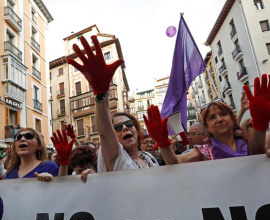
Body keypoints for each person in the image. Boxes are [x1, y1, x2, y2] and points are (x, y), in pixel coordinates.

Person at [68, 35, 159, 172]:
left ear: (136, 128)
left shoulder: (148, 157)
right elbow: (104, 132)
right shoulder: (117, 156)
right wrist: (100, 93)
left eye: (129, 124)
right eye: (117, 127)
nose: (124, 128)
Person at [143, 74, 270, 164]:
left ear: (232, 119)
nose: (219, 119)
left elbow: (258, 151)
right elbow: (174, 161)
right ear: (207, 127)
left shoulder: (248, 142)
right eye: (212, 117)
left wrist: (260, 122)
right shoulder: (204, 152)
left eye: (223, 114)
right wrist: (163, 143)